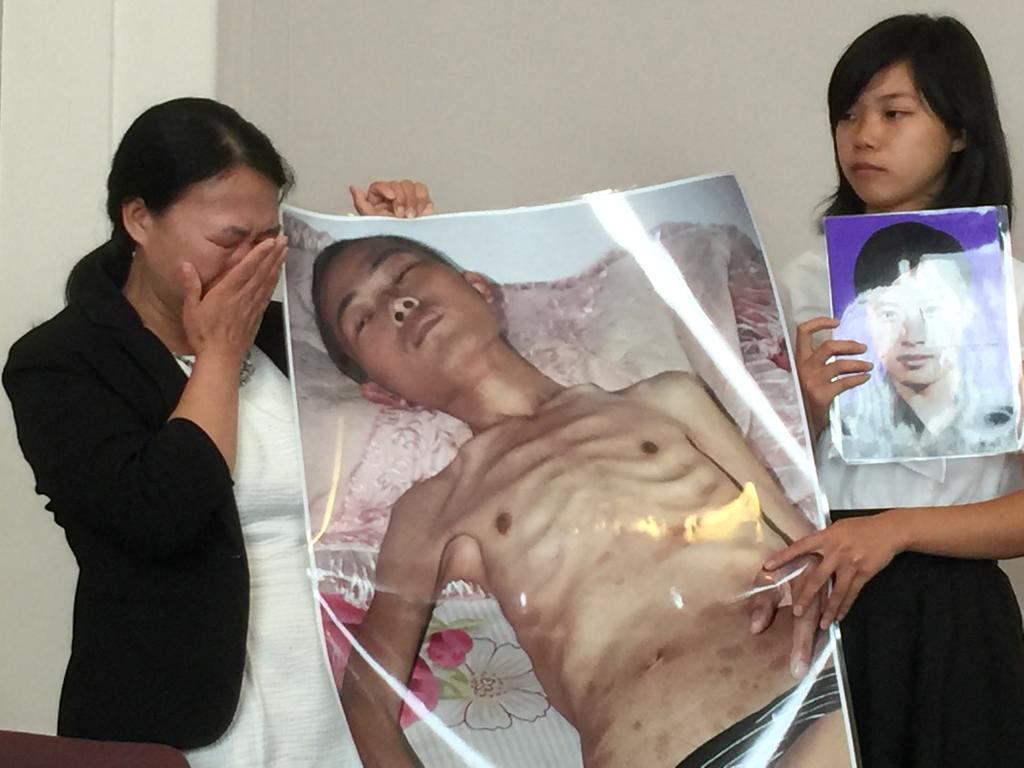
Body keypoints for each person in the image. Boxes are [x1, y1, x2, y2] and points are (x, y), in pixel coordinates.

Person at [312, 235, 849, 768]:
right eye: (363, 318)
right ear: (382, 393)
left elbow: (809, 540)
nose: (397, 304)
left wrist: (812, 419)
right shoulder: (435, 508)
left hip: (823, 694)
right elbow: (367, 697)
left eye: (403, 273)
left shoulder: (669, 398)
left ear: (480, 290)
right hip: (665, 746)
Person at [2, 96, 431, 764]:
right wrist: (219, 354)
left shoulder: (289, 334)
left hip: (338, 694)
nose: (251, 264)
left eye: (267, 240)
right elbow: (159, 513)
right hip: (185, 714)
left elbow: (414, 424)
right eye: (230, 241)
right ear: (139, 219)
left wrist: (392, 246)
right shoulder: (59, 361)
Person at [774, 14, 1024, 767]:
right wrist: (804, 412)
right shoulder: (796, 282)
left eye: (893, 112)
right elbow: (738, 486)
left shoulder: (1010, 297)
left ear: (958, 129)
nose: (862, 136)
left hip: (956, 619)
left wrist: (895, 529)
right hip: (821, 601)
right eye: (848, 115)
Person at [834, 220, 1015, 459]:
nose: (913, 336)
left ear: (968, 312)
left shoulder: (1004, 418)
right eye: (890, 315)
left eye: (932, 311)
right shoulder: (850, 426)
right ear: (865, 320)